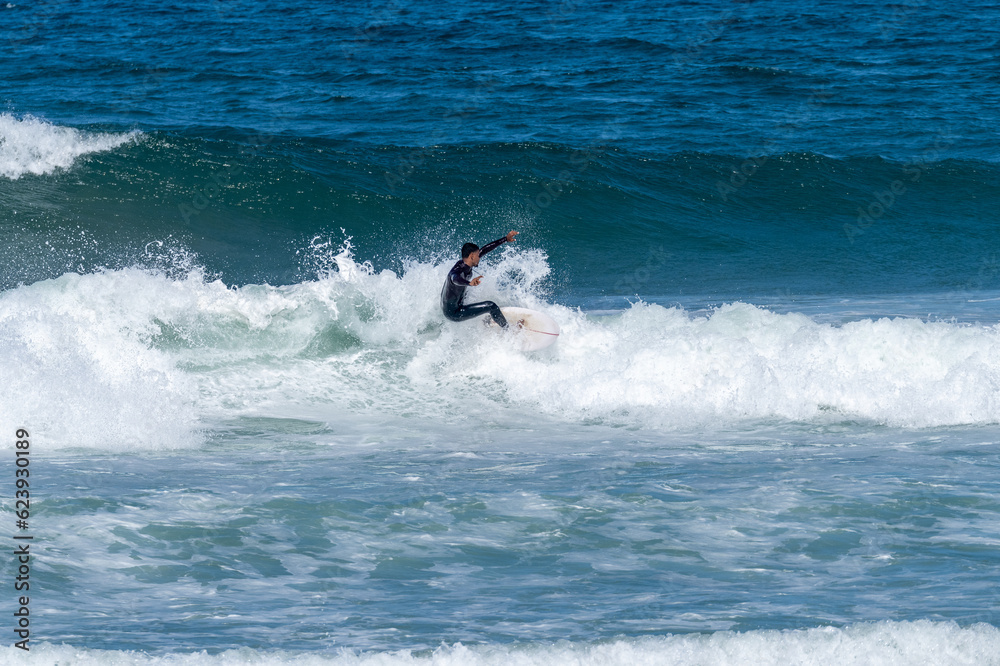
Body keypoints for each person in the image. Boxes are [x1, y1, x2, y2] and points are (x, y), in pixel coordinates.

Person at [441, 230, 519, 328]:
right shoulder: (457, 271)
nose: (480, 257)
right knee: (491, 306)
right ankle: (509, 330)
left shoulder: (467, 263)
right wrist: (469, 283)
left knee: (473, 298)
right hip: (453, 313)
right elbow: (454, 279)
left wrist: (505, 239)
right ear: (472, 256)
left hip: (452, 303)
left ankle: (488, 321)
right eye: (478, 255)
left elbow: (484, 249)